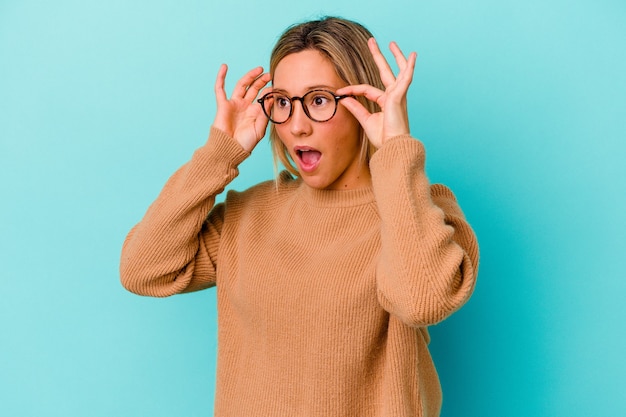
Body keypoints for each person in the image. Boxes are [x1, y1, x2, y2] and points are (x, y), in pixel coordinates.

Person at [120, 16, 479, 417]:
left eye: (320, 100)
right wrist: (219, 154)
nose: (297, 125)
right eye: (284, 102)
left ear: (365, 102)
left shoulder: (421, 211)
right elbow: (143, 269)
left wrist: (396, 151)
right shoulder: (249, 214)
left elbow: (423, 301)